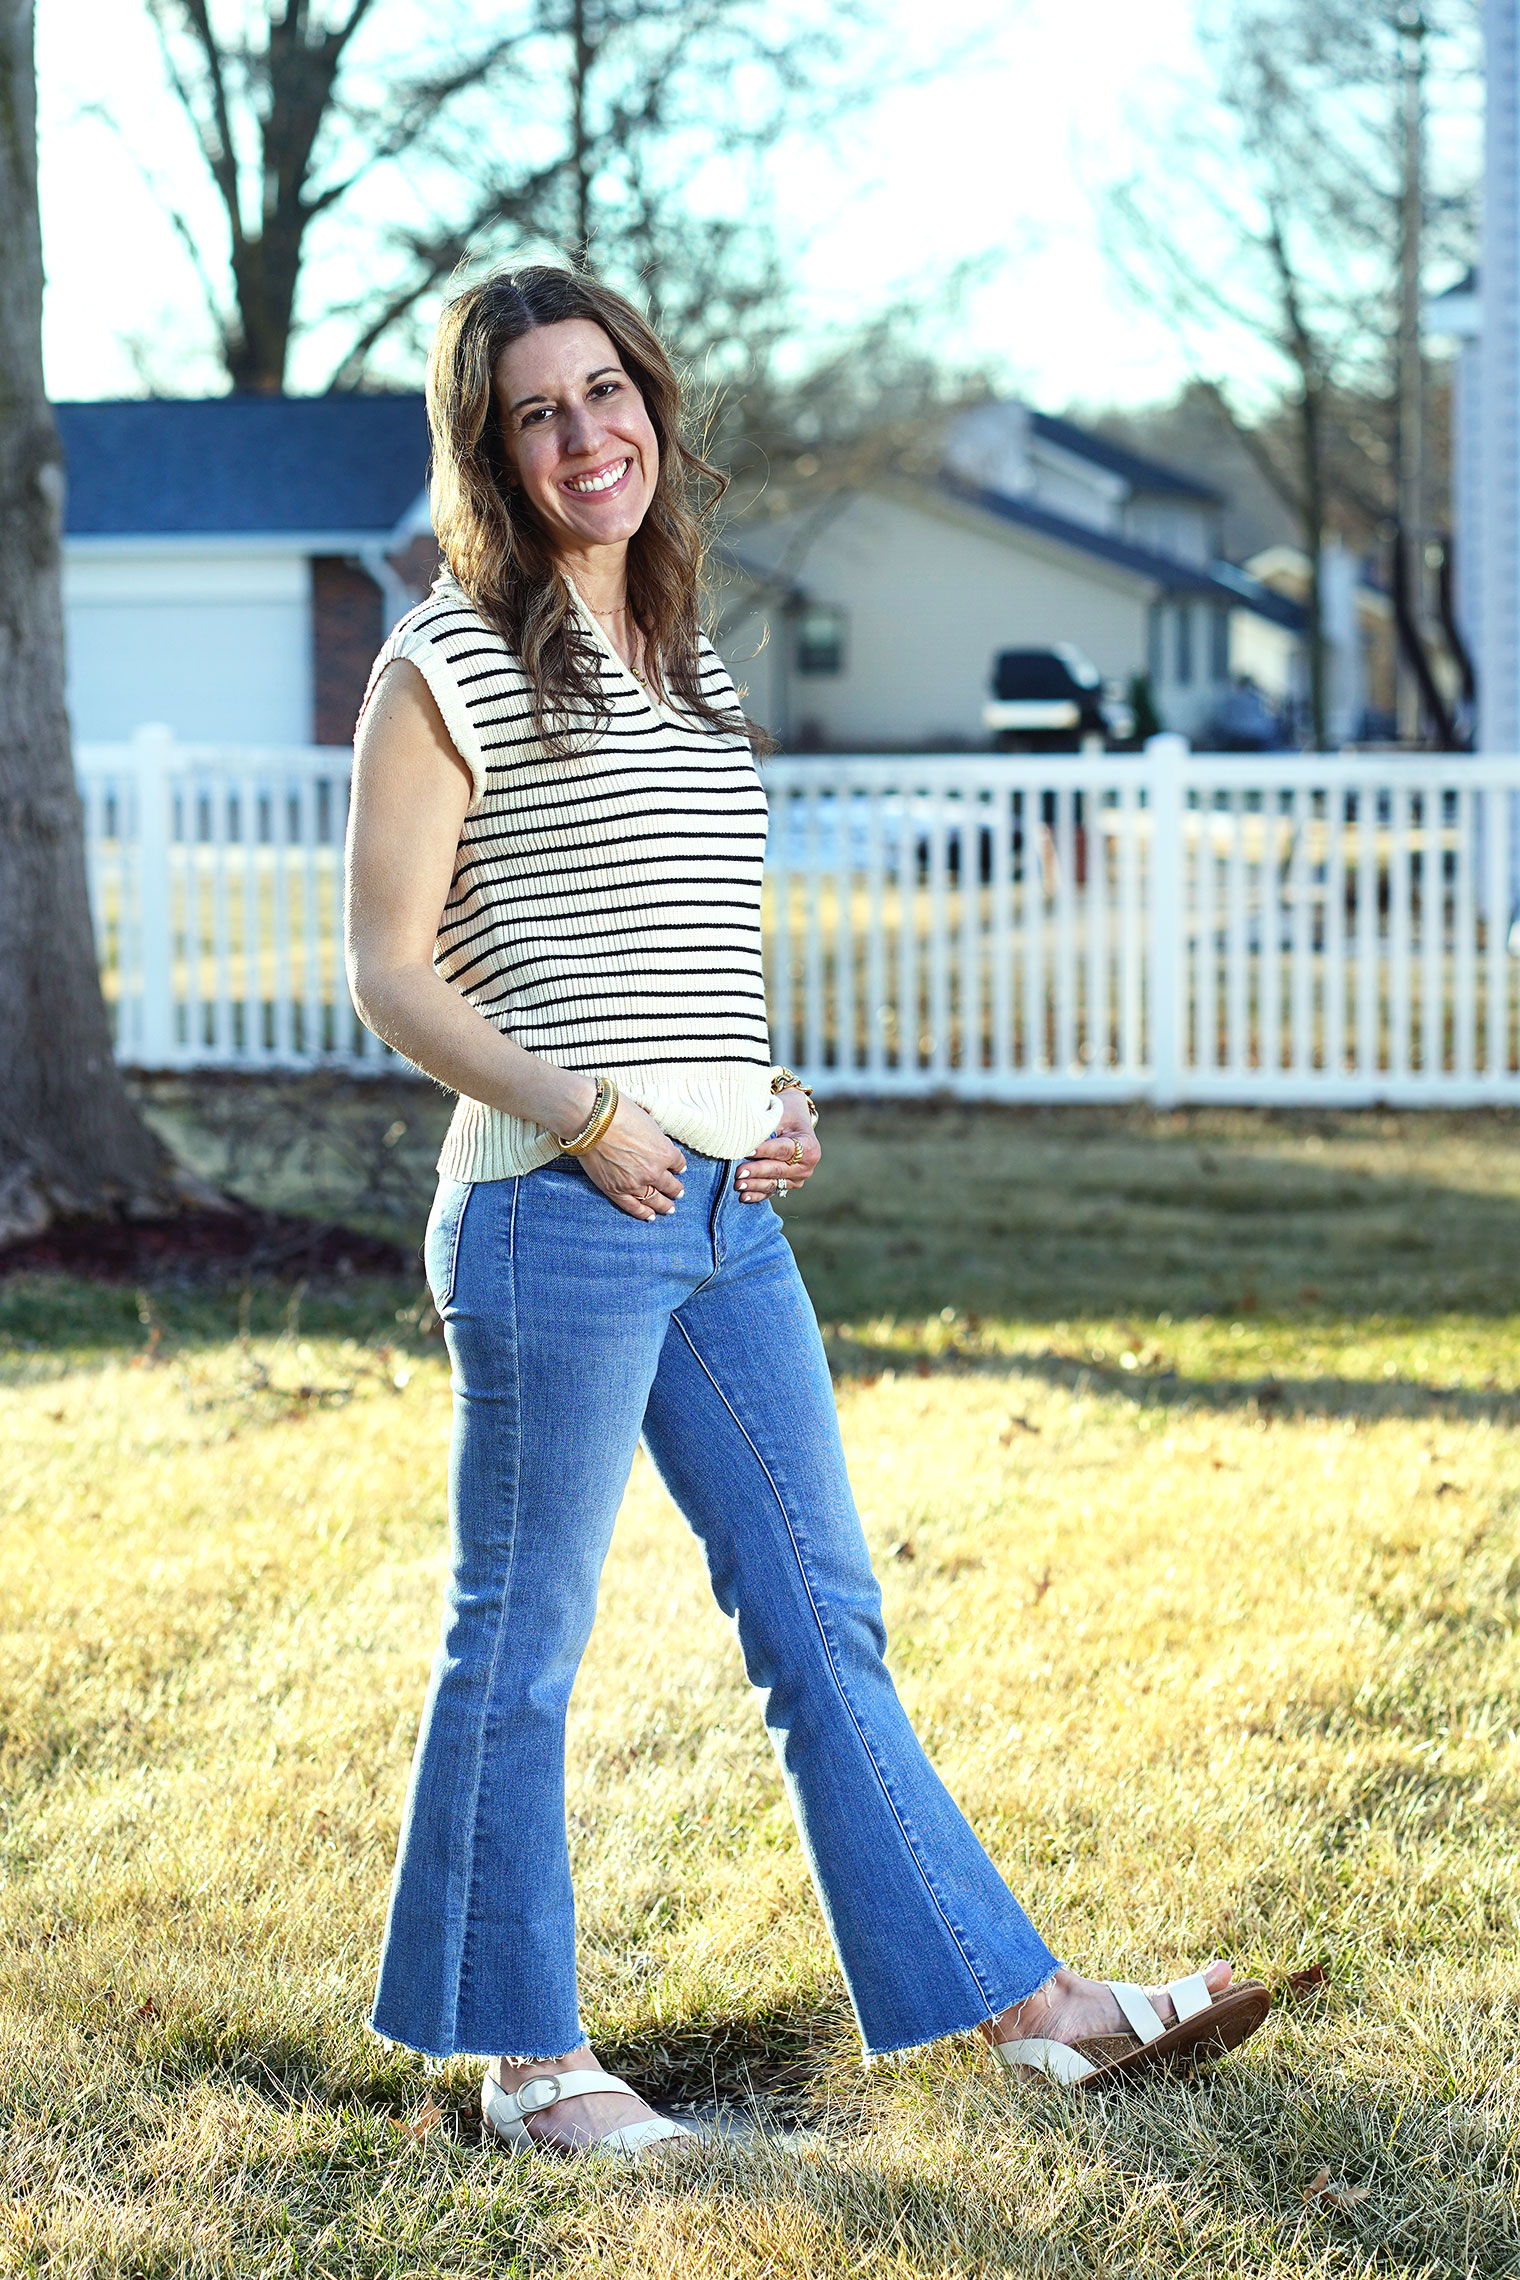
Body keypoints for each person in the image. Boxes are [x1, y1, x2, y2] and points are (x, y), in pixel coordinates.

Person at [344, 264, 1271, 2158]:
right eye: (539, 410)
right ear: (492, 450)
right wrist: (596, 1114)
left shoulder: (692, 652)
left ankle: (1027, 2010)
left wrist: (764, 1097)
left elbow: (680, 945)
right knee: (522, 1638)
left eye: (609, 392)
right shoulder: (439, 661)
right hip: (551, 1207)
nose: (589, 433)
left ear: (655, 411)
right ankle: (530, 2064)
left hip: (719, 1219)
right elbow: (388, 974)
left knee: (821, 1613)